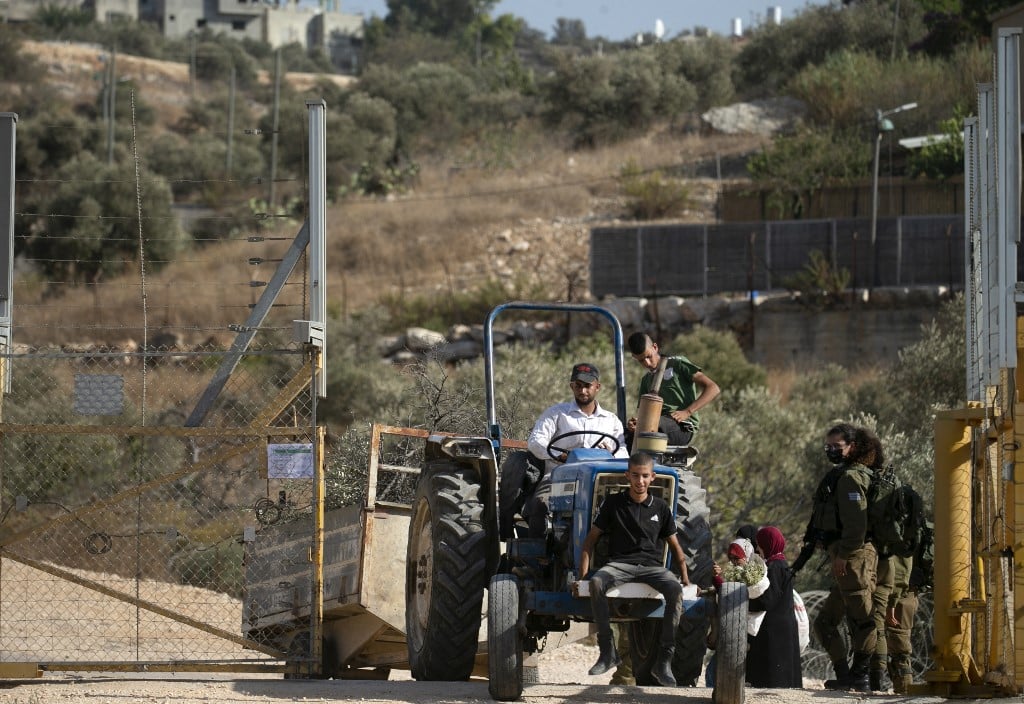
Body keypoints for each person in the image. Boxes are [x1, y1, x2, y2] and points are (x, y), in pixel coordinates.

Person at [575, 451, 690, 686]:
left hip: (651, 568)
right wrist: (583, 576)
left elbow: (675, 547)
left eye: (645, 476)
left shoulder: (660, 508)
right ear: (628, 476)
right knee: (597, 583)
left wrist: (685, 579)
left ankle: (664, 661)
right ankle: (607, 652)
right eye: (636, 475)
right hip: (620, 565)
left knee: (674, 590)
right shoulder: (614, 504)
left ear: (653, 478)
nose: (640, 481)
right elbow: (591, 540)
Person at [803, 425, 880, 693]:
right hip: (845, 556)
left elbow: (856, 526)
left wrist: (844, 555)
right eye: (828, 447)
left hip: (853, 556)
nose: (832, 451)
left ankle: (861, 676)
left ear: (853, 447)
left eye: (838, 446)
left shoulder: (850, 479)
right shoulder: (842, 476)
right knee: (825, 622)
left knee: (862, 619)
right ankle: (844, 674)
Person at [524, 362, 628, 538]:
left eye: (588, 386)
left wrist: (609, 454)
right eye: (578, 386)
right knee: (540, 504)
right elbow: (535, 442)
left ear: (597, 387)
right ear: (572, 386)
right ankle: (537, 557)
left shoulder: (610, 420)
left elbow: (622, 452)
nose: (583, 391)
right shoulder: (556, 413)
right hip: (559, 479)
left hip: (600, 482)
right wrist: (561, 456)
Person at [625, 333, 720, 447]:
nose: (647, 363)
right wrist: (635, 423)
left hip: (681, 427)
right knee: (625, 437)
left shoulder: (678, 364)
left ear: (655, 347)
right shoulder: (646, 380)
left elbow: (713, 388)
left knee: (651, 429)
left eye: (649, 356)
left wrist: (687, 412)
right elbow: (643, 413)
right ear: (634, 357)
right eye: (641, 360)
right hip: (655, 424)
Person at [746, 526, 803, 688]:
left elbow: (768, 600)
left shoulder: (774, 567)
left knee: (773, 679)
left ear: (767, 544)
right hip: (783, 626)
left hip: (775, 629)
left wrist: (747, 601)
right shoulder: (781, 564)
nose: (757, 549)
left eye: (759, 544)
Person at [885, 553, 917, 694]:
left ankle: (904, 689)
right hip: (905, 590)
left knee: (900, 650)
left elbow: (901, 568)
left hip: (902, 593)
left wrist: (893, 600)